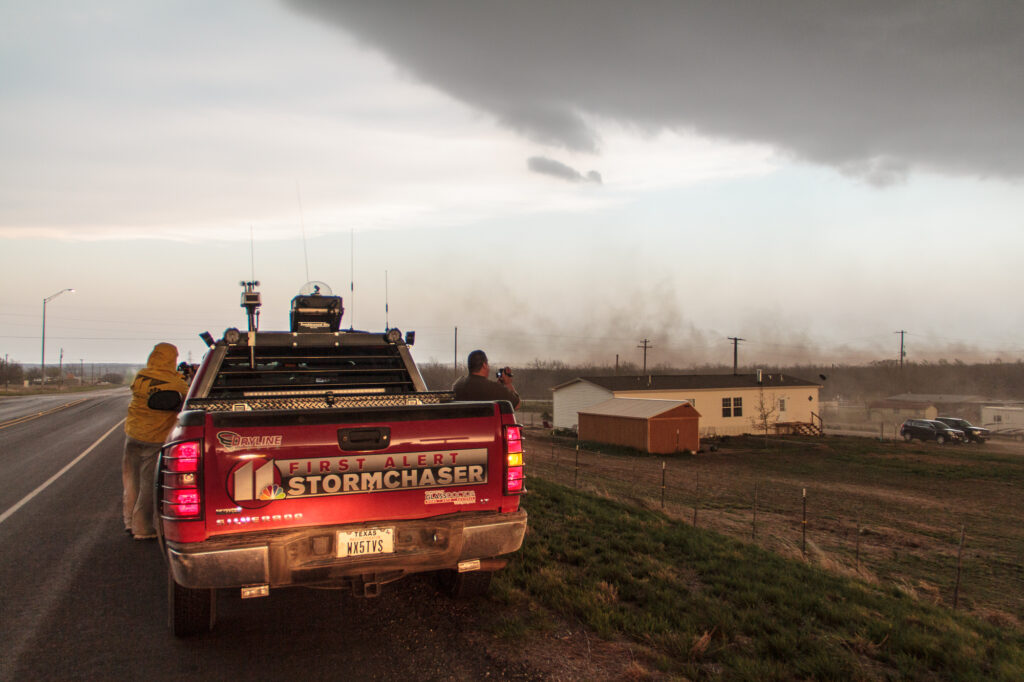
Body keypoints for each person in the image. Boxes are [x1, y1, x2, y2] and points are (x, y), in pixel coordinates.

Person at [123, 342, 188, 539]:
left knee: (131, 481)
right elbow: (187, 402)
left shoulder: (140, 377)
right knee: (148, 485)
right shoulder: (176, 384)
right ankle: (142, 528)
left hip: (132, 434)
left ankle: (129, 521)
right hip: (155, 438)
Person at [452, 349, 520, 409]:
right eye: (487, 364)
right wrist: (508, 384)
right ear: (484, 365)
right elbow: (517, 405)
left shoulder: (458, 384)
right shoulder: (493, 389)